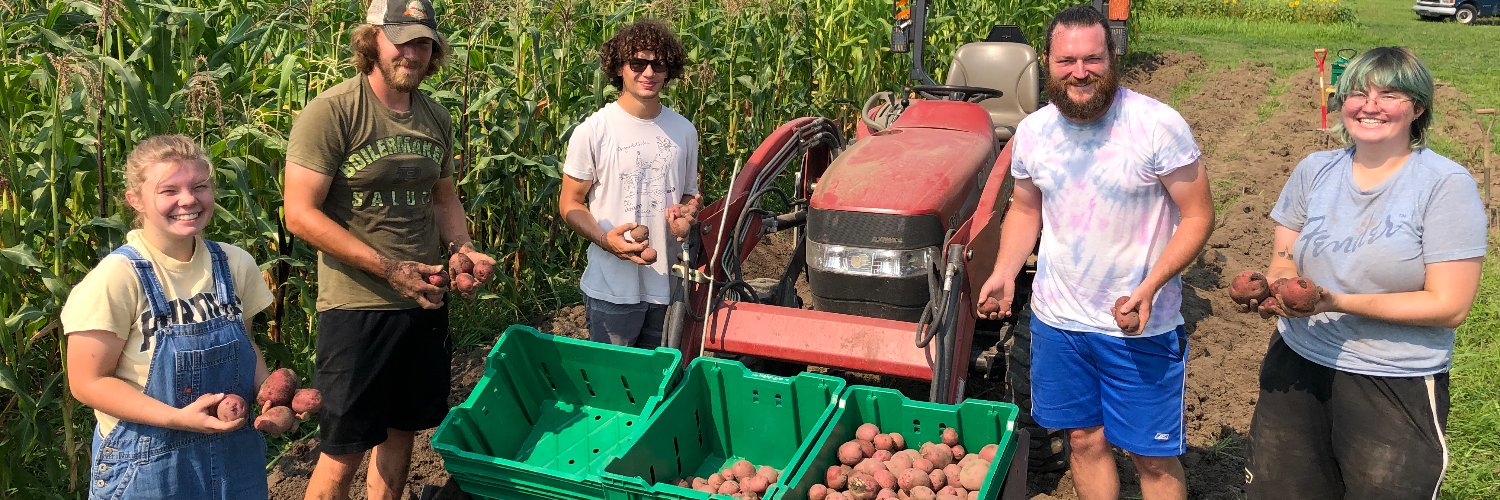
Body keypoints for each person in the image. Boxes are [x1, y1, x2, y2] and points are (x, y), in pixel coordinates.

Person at [976, 6, 1214, 499]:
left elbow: (1197, 216)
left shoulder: (1155, 126)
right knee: (1083, 440)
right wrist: (1004, 270)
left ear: (1113, 57)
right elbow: (1024, 210)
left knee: (1152, 456)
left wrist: (1152, 285)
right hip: (1059, 322)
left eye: (1092, 59)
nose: (1079, 72)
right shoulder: (1035, 132)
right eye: (1066, 61)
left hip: (1138, 323)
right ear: (1047, 62)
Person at [1243, 47, 1486, 499]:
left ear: (1417, 107)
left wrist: (1336, 301)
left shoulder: (1444, 184)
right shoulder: (1314, 170)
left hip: (1391, 379)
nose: (1369, 105)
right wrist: (1274, 284)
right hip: (1297, 362)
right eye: (1357, 92)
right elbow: (1284, 250)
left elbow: (1449, 305)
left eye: (1388, 94)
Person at [282, 0, 495, 498]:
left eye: (423, 42)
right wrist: (389, 268)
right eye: (401, 39)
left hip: (423, 301)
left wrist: (461, 248)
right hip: (357, 308)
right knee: (344, 448)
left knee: (402, 432)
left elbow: (445, 197)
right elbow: (300, 213)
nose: (412, 53)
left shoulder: (435, 116)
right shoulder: (332, 112)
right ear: (371, 40)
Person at [64, 135, 274, 498]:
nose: (188, 200)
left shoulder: (235, 264)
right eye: (169, 190)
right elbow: (87, 382)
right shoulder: (118, 276)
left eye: (200, 186)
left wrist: (270, 393)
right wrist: (179, 419)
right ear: (136, 201)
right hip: (147, 466)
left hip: (236, 458)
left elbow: (246, 344)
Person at [558, 18, 701, 348]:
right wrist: (605, 239)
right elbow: (570, 203)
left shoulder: (684, 131)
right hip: (611, 287)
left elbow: (690, 194)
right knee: (613, 384)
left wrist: (688, 214)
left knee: (659, 383)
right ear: (619, 68)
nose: (648, 73)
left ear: (669, 70)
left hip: (668, 287)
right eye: (637, 63)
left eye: (658, 64)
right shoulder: (594, 131)